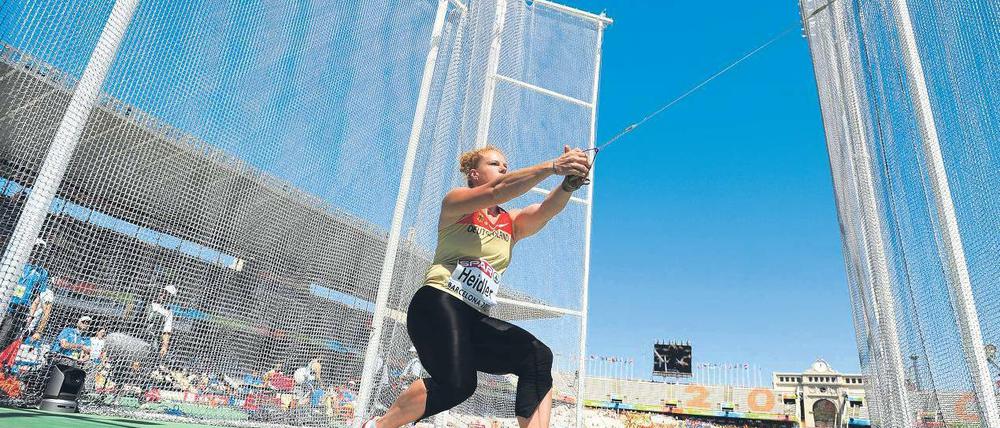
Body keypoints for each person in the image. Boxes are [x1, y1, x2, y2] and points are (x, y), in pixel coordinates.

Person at [367, 145, 591, 428]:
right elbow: (498, 190)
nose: (504, 168)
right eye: (496, 164)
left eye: (506, 165)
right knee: (458, 384)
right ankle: (376, 426)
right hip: (438, 302)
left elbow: (546, 210)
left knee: (537, 356)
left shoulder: (511, 222)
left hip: (474, 317)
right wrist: (552, 167)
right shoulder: (456, 202)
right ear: (474, 174)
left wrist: (568, 184)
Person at [144, 284, 176, 357]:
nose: (164, 294)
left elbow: (167, 330)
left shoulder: (167, 312)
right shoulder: (147, 301)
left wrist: (164, 346)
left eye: (168, 294)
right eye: (163, 291)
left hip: (151, 337)